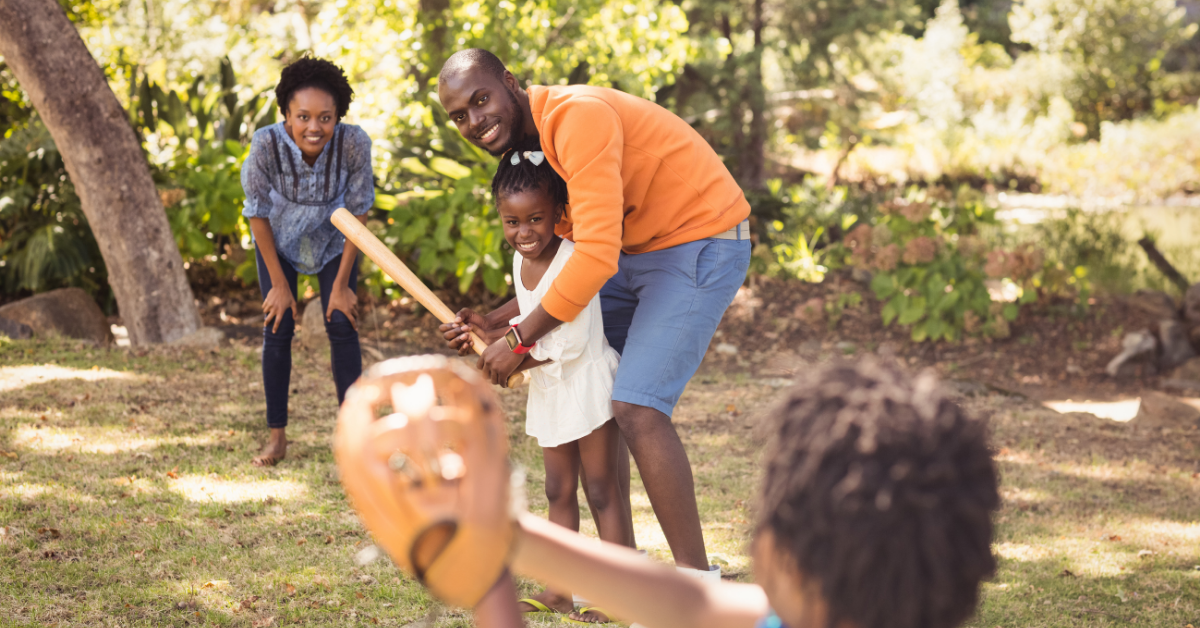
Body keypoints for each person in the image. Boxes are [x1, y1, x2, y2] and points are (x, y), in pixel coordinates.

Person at [437, 49, 752, 579]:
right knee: (596, 385)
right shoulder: (531, 150)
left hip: (700, 239)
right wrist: (492, 322)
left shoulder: (575, 117)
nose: (474, 121)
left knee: (636, 406)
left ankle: (699, 590)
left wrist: (517, 342)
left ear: (510, 82)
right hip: (631, 253)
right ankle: (619, 576)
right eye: (459, 115)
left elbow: (595, 256)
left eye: (481, 99)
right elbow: (573, 260)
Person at [481, 359, 1002, 628]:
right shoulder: (828, 608)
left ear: (779, 558)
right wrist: (506, 532)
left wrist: (479, 570)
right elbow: (691, 602)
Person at [440, 137, 634, 623]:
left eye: (535, 220)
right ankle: (560, 590)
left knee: (602, 488)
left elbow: (563, 343)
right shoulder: (521, 258)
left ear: (558, 213)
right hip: (552, 390)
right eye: (512, 222)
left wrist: (508, 359)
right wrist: (482, 329)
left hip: (585, 383)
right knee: (557, 489)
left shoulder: (572, 261)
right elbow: (526, 314)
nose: (524, 232)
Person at [241, 56, 374, 466]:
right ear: (286, 114)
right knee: (277, 327)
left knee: (341, 322)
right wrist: (280, 286)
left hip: (336, 241)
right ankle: (277, 439)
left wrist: (341, 286)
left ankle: (354, 440)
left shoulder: (353, 143)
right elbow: (256, 212)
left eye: (325, 117)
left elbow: (359, 210)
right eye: (303, 117)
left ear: (338, 117)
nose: (314, 127)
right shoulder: (265, 144)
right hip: (279, 241)